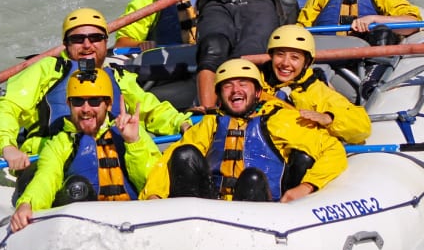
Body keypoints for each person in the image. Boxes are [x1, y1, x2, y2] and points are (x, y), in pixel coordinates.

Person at [0, 7, 192, 173]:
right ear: (66, 45)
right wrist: (8, 147)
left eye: (95, 38)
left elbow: (150, 108)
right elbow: (7, 107)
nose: (87, 45)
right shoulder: (47, 69)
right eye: (78, 39)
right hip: (53, 156)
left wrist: (181, 123)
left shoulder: (116, 76)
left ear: (105, 43)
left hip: (108, 157)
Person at [140, 58, 347, 203]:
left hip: (261, 209)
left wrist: (306, 187)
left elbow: (333, 150)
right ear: (219, 95)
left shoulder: (280, 119)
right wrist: (155, 194)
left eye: (243, 84)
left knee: (252, 179)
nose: (236, 90)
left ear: (258, 92)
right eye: (228, 86)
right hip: (212, 205)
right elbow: (168, 160)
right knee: (184, 155)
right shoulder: (210, 124)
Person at [10, 68, 162, 231]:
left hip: (137, 221)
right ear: (69, 104)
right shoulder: (61, 143)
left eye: (95, 101)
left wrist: (133, 143)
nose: (85, 109)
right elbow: (46, 177)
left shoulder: (134, 133)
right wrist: (28, 203)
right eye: (78, 101)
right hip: (86, 230)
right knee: (77, 187)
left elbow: (153, 182)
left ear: (108, 104)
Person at [261, 25, 371, 144]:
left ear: (306, 62)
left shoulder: (317, 91)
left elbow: (362, 126)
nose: (285, 63)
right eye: (280, 54)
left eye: (295, 57)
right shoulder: (253, 84)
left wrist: (329, 118)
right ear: (271, 56)